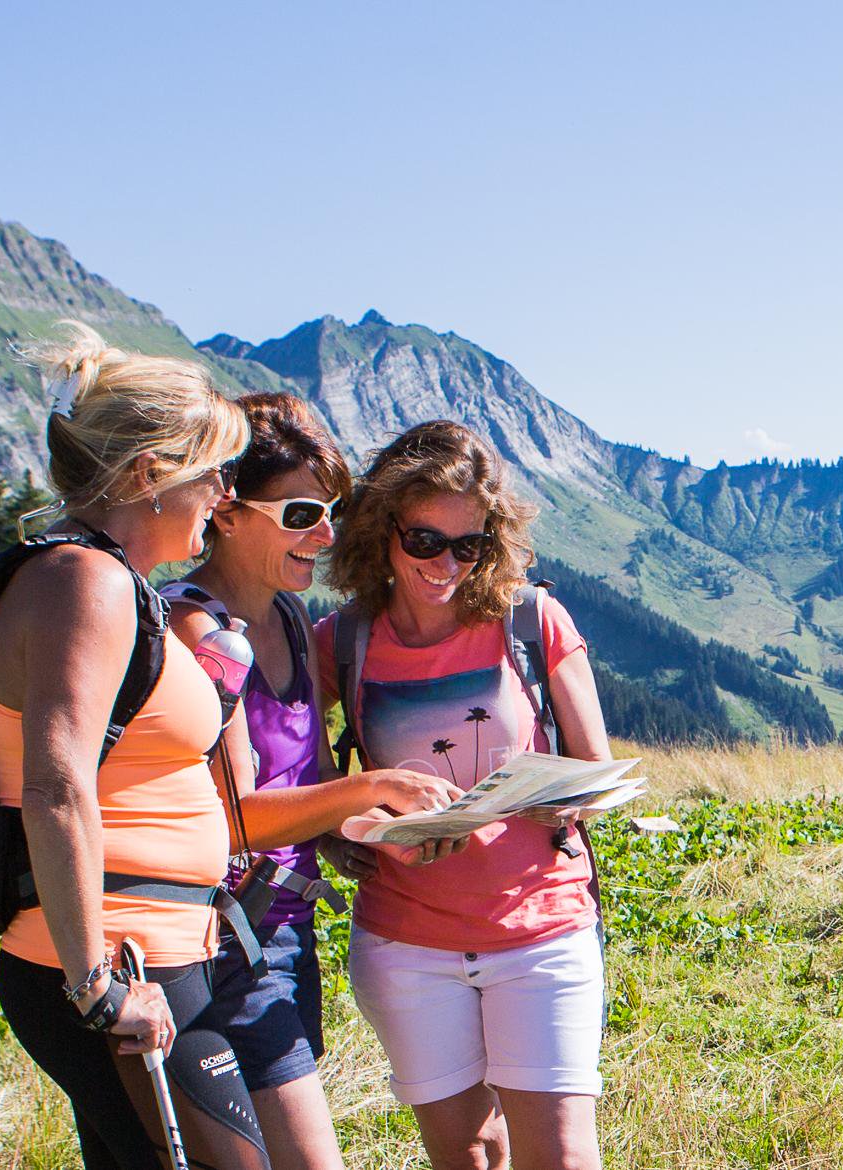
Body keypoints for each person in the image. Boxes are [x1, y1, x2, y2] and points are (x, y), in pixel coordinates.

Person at [0, 320, 262, 1170]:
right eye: (212, 472)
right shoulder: (87, 584)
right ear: (149, 475)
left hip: (147, 953)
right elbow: (56, 786)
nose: (223, 495)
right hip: (123, 960)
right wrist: (97, 991)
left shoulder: (102, 583)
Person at [163, 394, 467, 1170]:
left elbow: (310, 770)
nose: (325, 535)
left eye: (330, 511)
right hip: (220, 939)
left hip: (284, 928)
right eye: (301, 513)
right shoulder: (196, 628)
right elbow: (233, 817)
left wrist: (335, 832)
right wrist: (372, 792)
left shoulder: (294, 618)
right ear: (226, 508)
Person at [316, 419, 616, 1170]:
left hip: (542, 927)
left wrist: (566, 798)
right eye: (424, 541)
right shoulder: (342, 640)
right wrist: (357, 825)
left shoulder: (531, 619)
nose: (446, 563)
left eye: (469, 545)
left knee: (564, 1158)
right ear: (382, 531)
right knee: (469, 1156)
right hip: (405, 942)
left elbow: (596, 767)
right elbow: (297, 774)